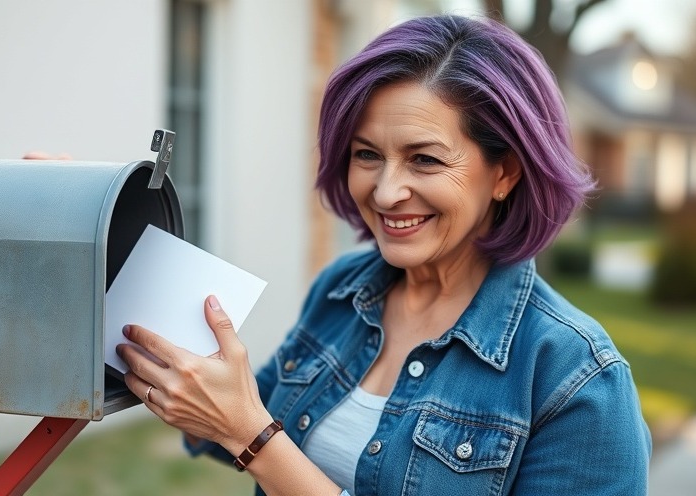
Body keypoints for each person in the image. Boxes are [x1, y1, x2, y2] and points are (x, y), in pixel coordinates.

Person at [116, 14, 652, 495]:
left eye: (424, 160)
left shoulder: (575, 379)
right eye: (367, 154)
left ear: (505, 173)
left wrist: (252, 438)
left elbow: (250, 431)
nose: (386, 191)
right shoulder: (344, 290)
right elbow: (235, 420)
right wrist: (99, 223)